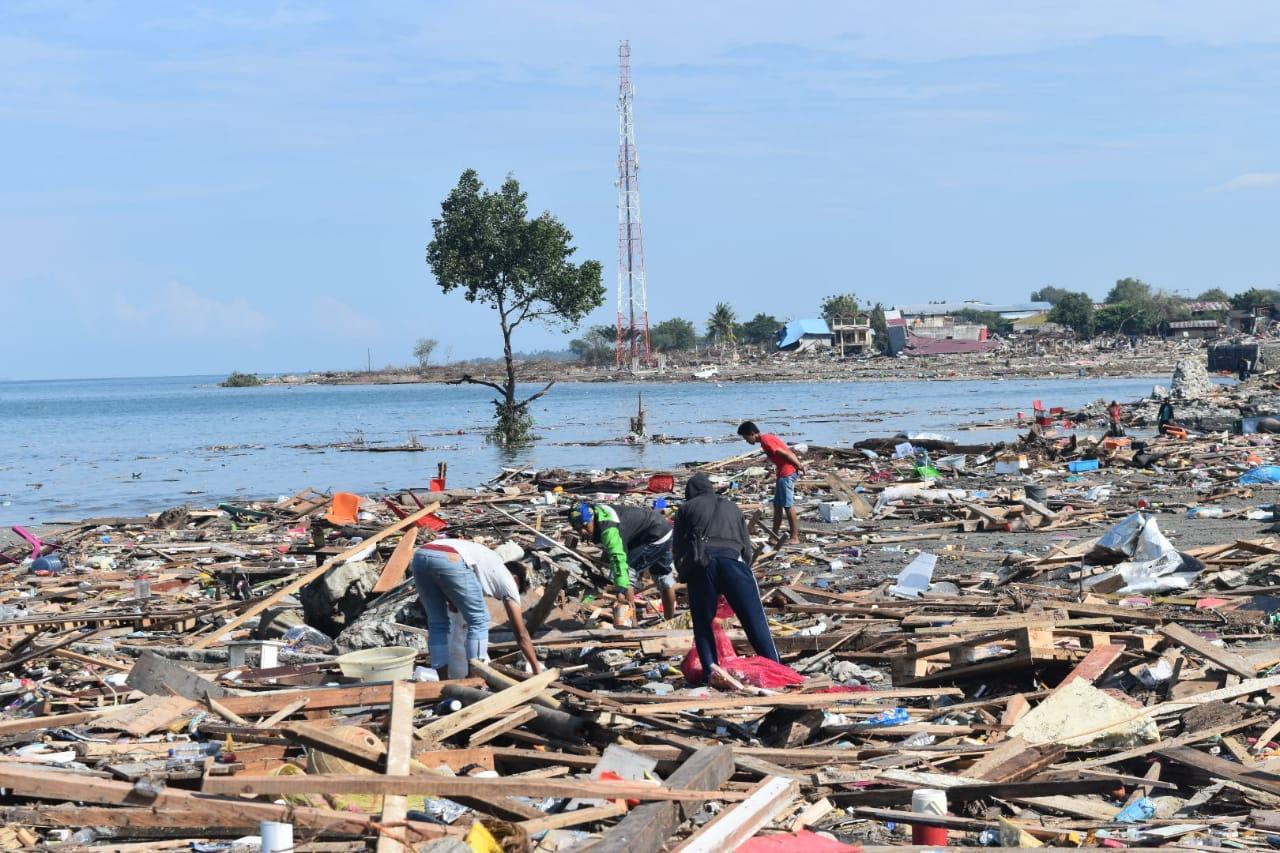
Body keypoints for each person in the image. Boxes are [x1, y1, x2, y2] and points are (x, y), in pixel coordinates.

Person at [673, 473, 779, 679]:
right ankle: (776, 667)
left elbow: (680, 547)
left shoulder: (685, 509)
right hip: (734, 562)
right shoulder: (732, 506)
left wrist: (685, 573)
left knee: (703, 624)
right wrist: (740, 574)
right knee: (755, 620)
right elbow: (746, 550)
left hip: (703, 566)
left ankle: (710, 674)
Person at [410, 538, 541, 678]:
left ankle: (443, 680)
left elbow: (454, 600)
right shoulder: (508, 580)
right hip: (450, 557)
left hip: (421, 555)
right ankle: (475, 679)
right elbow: (521, 634)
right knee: (479, 620)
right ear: (516, 579)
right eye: (518, 590)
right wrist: (536, 669)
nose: (499, 599)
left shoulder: (485, 568)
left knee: (437, 624)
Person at [568, 502, 678, 620]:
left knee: (627, 573)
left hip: (653, 536)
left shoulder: (608, 528)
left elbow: (618, 559)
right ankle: (669, 621)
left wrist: (621, 589)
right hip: (664, 529)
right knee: (663, 576)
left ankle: (630, 624)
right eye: (578, 529)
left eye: (585, 526)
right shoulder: (599, 512)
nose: (582, 532)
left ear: (592, 518)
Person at [737, 421, 805, 545]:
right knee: (777, 505)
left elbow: (786, 453)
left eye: (746, 437)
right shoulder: (766, 439)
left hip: (787, 473)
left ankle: (795, 537)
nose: (746, 441)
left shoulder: (766, 441)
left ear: (752, 434)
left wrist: (799, 465)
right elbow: (780, 452)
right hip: (782, 473)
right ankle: (774, 537)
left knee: (788, 505)